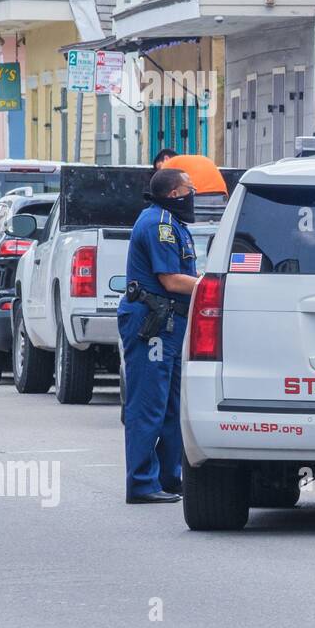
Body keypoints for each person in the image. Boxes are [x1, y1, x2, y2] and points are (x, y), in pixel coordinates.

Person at [117, 167, 199, 503]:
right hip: (153, 321)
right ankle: (141, 483)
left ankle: (169, 477)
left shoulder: (173, 223)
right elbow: (171, 280)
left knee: (172, 405)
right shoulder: (159, 224)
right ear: (176, 193)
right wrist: (214, 286)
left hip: (171, 323)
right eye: (189, 188)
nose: (194, 193)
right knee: (148, 403)